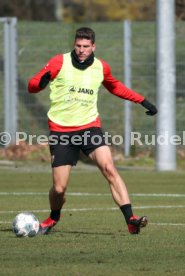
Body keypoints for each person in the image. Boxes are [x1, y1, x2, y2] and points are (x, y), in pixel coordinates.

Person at [28, 27, 157, 235]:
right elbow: (32, 85)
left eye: (86, 46)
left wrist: (143, 101)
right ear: (74, 44)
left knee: (109, 169)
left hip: (89, 128)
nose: (81, 50)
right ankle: (53, 217)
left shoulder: (100, 67)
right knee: (59, 189)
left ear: (93, 46)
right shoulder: (59, 62)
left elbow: (115, 87)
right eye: (78, 46)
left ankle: (131, 219)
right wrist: (38, 84)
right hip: (61, 131)